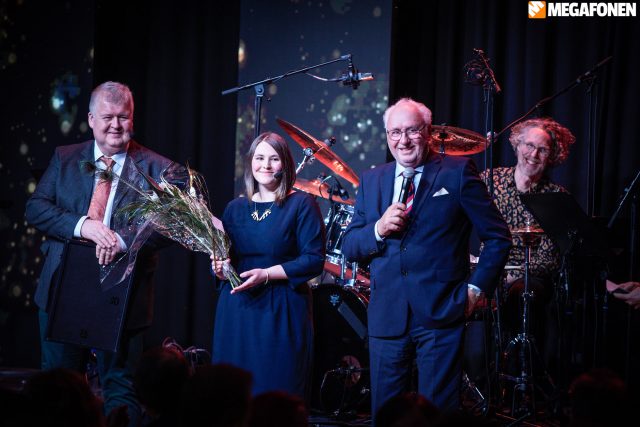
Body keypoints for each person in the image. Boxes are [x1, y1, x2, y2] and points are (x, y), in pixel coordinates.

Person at [341, 98, 511, 418]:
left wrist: (475, 290)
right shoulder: (372, 179)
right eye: (395, 132)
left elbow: (498, 237)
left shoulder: (457, 172)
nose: (403, 141)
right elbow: (350, 246)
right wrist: (378, 229)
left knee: (438, 415)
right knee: (386, 415)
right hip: (387, 315)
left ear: (428, 132)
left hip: (441, 312)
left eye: (412, 131)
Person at [25, 81, 176, 426]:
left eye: (124, 117)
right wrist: (84, 226)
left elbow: (171, 225)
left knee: (120, 387)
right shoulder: (65, 158)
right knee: (59, 388)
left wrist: (122, 240)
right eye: (108, 117)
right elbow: (36, 208)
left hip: (122, 292)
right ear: (91, 119)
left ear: (132, 119)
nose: (116, 125)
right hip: (64, 288)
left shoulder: (157, 167)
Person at [211, 132, 325, 401]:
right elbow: (226, 259)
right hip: (237, 310)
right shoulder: (235, 208)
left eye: (274, 159)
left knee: (276, 396)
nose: (265, 165)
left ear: (285, 164)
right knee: (232, 397)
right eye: (259, 158)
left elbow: (314, 260)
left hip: (280, 309)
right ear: (251, 161)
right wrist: (219, 268)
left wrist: (267, 274)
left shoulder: (302, 204)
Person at [478, 117, 576, 376]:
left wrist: (514, 274)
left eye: (542, 149)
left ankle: (520, 375)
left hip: (530, 278)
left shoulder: (556, 197)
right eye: (529, 145)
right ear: (517, 145)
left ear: (552, 155)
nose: (533, 154)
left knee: (523, 293)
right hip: (489, 271)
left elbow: (550, 259)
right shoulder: (489, 181)